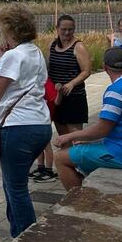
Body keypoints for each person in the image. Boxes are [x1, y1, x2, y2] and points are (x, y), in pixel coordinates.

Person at [0, 4, 52, 238]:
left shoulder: (13, 56)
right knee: (13, 184)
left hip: (18, 126)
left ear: (9, 29)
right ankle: (17, 233)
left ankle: (27, 241)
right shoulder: (35, 52)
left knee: (16, 188)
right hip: (40, 123)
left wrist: (0, 60)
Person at [54, 48, 122, 190]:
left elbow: (102, 129)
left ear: (105, 67)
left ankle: (78, 199)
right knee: (84, 151)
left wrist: (70, 136)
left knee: (60, 158)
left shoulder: (116, 91)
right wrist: (89, 140)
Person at [32, 15, 91, 182]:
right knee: (62, 135)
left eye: (70, 29)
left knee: (76, 136)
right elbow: (47, 68)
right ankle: (68, 168)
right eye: (63, 29)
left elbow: (86, 71)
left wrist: (71, 83)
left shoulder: (78, 46)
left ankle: (83, 167)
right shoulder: (52, 45)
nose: (67, 32)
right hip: (56, 97)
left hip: (74, 97)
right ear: (57, 29)